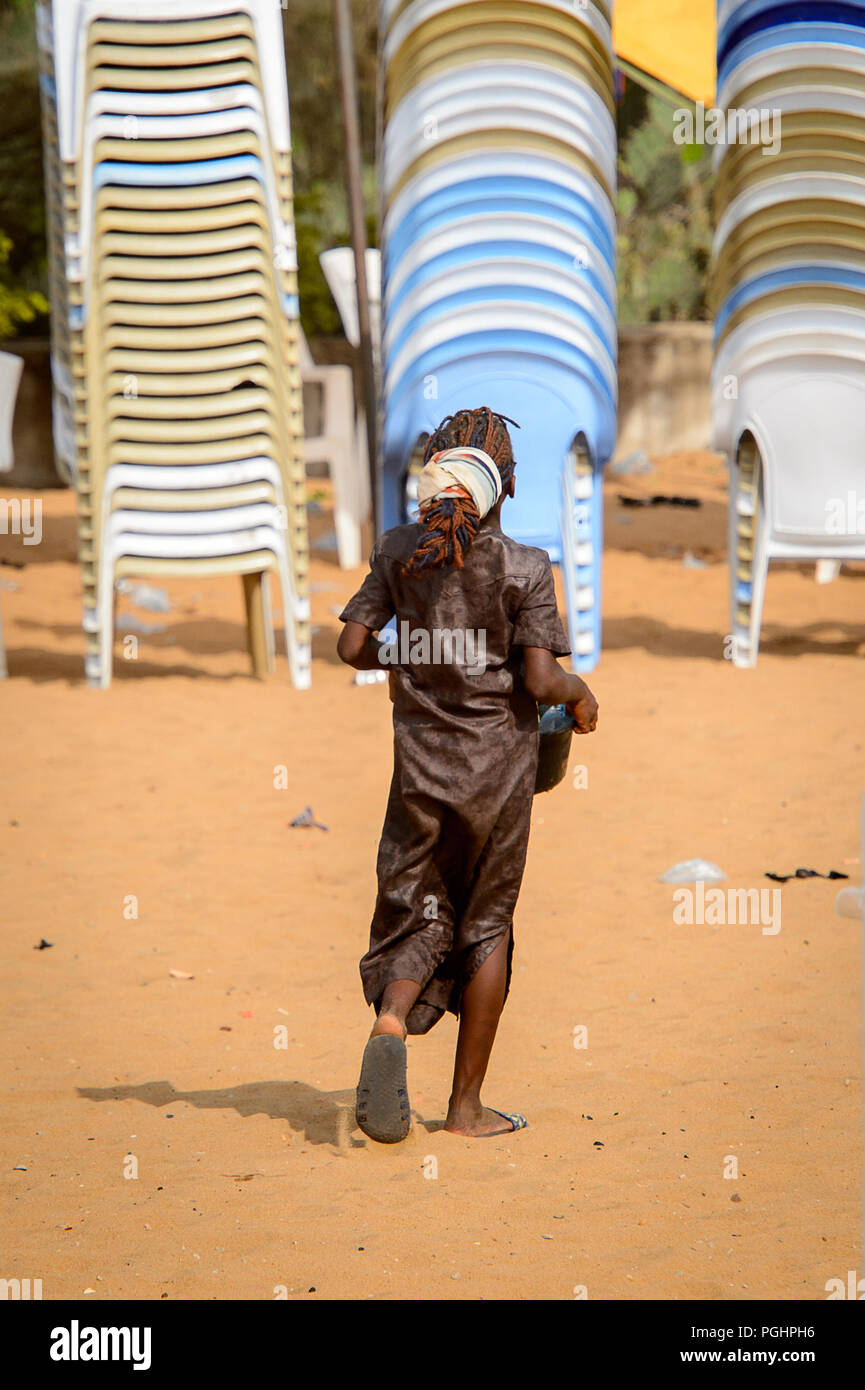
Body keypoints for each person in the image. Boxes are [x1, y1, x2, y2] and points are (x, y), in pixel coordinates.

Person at [337, 406, 598, 1141]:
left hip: (419, 771)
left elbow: (354, 648)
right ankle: (464, 1110)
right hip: (499, 776)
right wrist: (580, 695)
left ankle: (391, 1019)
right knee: (486, 924)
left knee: (417, 903)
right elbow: (543, 682)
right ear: (504, 487)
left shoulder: (397, 553)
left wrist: (409, 657)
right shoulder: (524, 567)